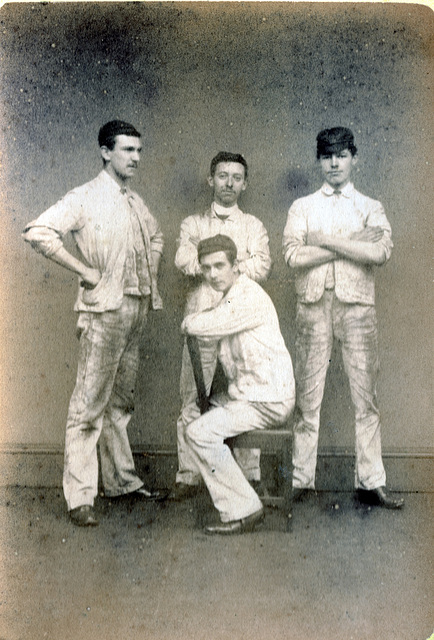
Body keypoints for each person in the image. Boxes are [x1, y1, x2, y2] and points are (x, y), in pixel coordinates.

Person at [22, 120, 165, 526]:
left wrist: (148, 275)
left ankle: (122, 482)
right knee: (88, 407)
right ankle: (80, 497)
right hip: (103, 314)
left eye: (139, 150)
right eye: (127, 150)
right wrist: (83, 270)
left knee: (120, 403)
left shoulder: (135, 201)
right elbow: (38, 232)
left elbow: (156, 238)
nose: (136, 158)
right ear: (105, 152)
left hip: (135, 310)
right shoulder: (84, 197)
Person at [282, 127, 404, 509]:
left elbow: (380, 253)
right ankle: (302, 480)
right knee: (307, 397)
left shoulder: (370, 205)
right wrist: (353, 244)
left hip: (357, 309)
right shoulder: (303, 207)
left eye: (341, 155)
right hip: (312, 307)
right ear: (319, 161)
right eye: (326, 156)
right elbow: (292, 256)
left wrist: (325, 241)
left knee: (366, 398)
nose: (334, 163)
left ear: (354, 158)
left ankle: (371, 481)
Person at [171, 151, 272, 501]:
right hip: (202, 314)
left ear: (245, 183)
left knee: (243, 390)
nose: (229, 183)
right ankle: (188, 474)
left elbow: (262, 268)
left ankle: (248, 472)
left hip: (241, 316)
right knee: (192, 393)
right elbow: (183, 260)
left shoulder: (253, 226)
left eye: (237, 177)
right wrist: (228, 263)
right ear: (210, 179)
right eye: (222, 175)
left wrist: (215, 262)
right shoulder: (193, 224)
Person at [182, 234, 295, 534]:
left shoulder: (248, 296)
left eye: (219, 266)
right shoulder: (231, 295)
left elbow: (203, 325)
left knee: (198, 432)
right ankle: (239, 493)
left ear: (236, 266)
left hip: (267, 400)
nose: (212, 274)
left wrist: (189, 320)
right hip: (253, 394)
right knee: (199, 415)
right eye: (206, 268)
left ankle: (244, 509)